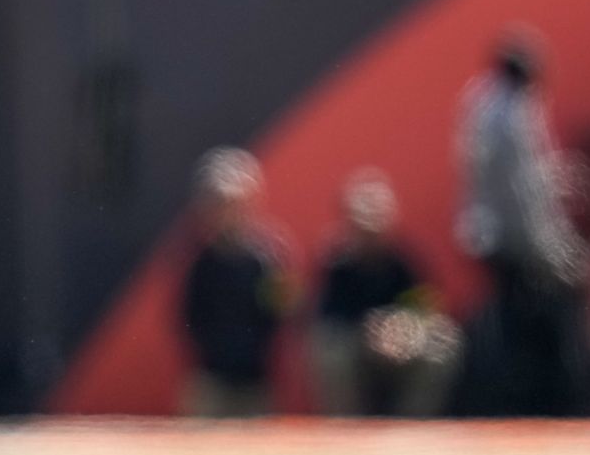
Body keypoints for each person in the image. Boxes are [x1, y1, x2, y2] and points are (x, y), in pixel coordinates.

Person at [457, 28, 590, 414]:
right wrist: (555, 252)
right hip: (518, 243)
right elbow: (521, 195)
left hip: (493, 237)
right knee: (536, 327)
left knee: (505, 325)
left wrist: (555, 177)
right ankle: (551, 405)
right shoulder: (513, 112)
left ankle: (511, 403)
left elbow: (515, 179)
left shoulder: (483, 104)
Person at [310, 171, 459, 416]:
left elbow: (427, 310)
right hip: (357, 345)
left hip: (401, 343)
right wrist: (371, 330)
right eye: (363, 216)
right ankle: (346, 429)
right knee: (328, 348)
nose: (371, 224)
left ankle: (410, 428)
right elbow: (328, 320)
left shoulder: (404, 261)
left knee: (443, 343)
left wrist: (402, 329)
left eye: (378, 214)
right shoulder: (336, 263)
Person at [178, 147, 294, 418]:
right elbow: (189, 317)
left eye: (233, 204)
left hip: (257, 381)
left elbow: (282, 314)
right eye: (218, 203)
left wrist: (251, 353)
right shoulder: (196, 258)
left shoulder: (270, 258)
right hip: (211, 379)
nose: (226, 213)